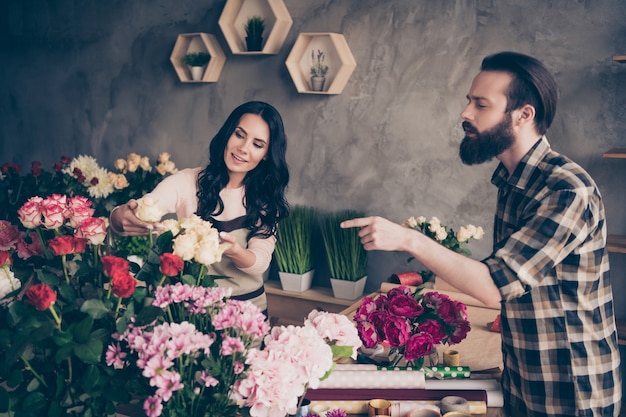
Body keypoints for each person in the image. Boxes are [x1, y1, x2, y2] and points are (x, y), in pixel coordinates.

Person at [341, 52, 622, 417]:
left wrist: (409, 239)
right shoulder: (512, 180)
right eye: (468, 101)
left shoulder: (566, 191)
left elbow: (495, 285)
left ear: (523, 115)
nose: (465, 113)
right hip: (523, 381)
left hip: (571, 391)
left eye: (481, 104)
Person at [110, 101, 290, 315]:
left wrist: (235, 251)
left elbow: (260, 261)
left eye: (257, 144)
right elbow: (147, 206)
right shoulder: (186, 182)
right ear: (227, 134)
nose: (243, 148)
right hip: (196, 312)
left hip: (248, 314)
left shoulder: (265, 199)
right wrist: (119, 217)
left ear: (267, 154)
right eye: (239, 135)